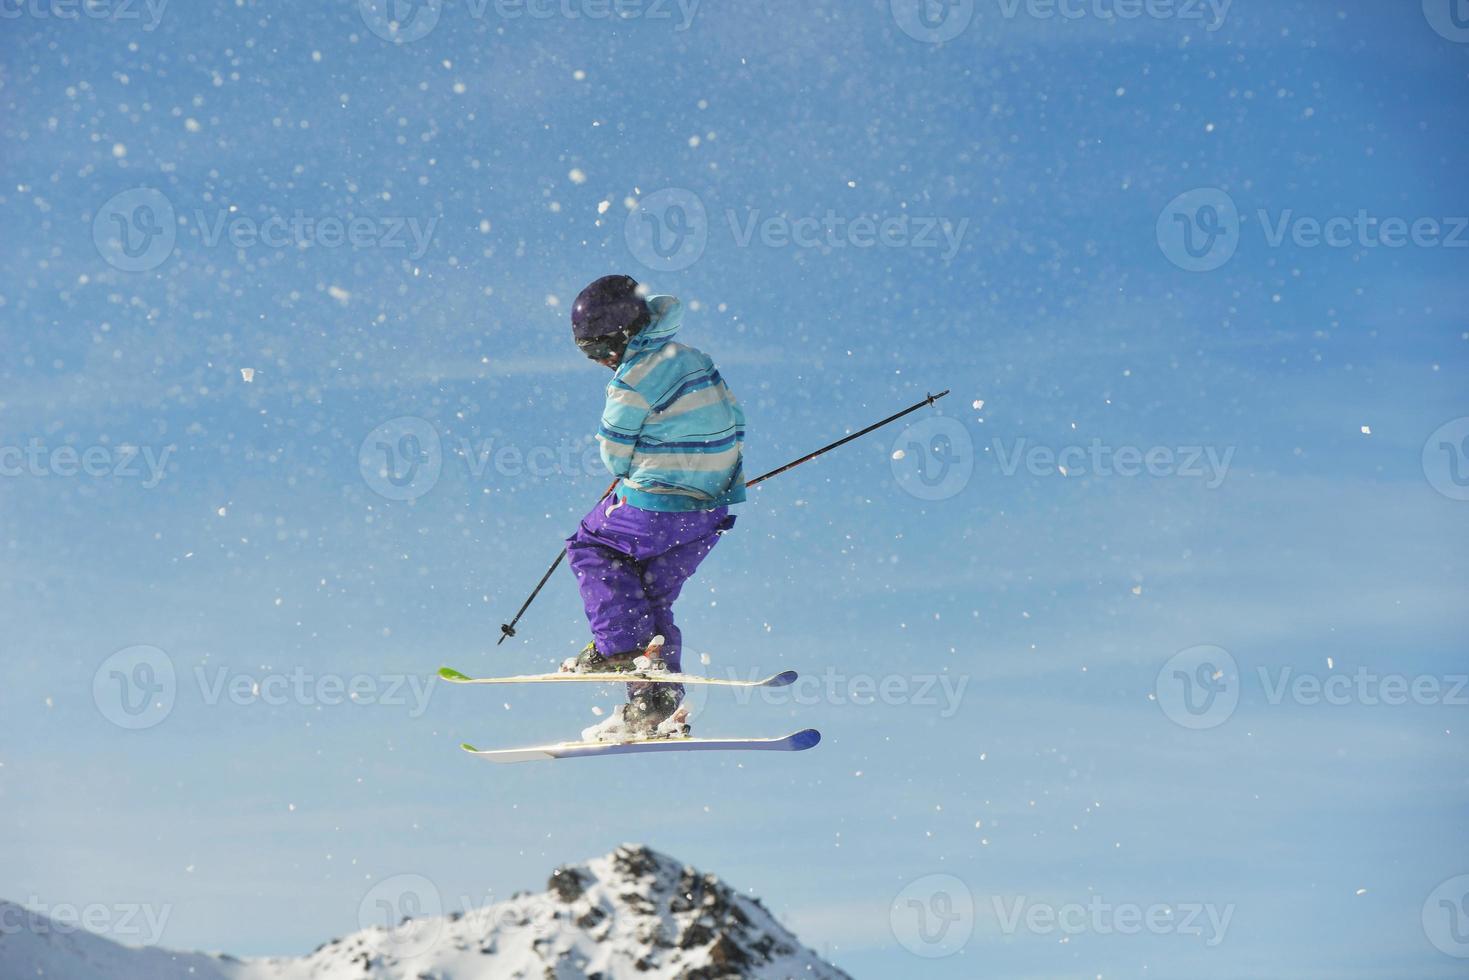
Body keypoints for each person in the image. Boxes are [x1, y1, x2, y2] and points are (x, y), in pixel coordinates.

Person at [561, 274, 746, 742]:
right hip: (708, 512)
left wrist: (642, 472)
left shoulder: (631, 381)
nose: (601, 361)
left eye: (600, 349)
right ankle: (655, 702)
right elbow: (735, 419)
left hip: (656, 506)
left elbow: (613, 454)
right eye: (589, 354)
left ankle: (619, 648)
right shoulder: (694, 361)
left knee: (591, 547)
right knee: (647, 594)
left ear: (624, 336)